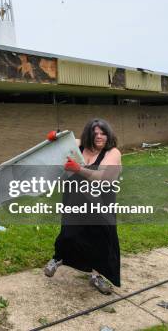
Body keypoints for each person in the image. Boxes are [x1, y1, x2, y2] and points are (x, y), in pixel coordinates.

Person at [43, 119, 122, 294]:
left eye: (103, 133)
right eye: (96, 133)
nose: (99, 137)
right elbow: (64, 139)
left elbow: (104, 177)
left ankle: (96, 276)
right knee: (69, 232)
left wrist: (79, 169)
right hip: (76, 196)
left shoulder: (113, 152)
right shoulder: (80, 145)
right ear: (89, 135)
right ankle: (58, 258)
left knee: (101, 236)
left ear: (108, 135)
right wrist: (54, 137)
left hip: (101, 200)